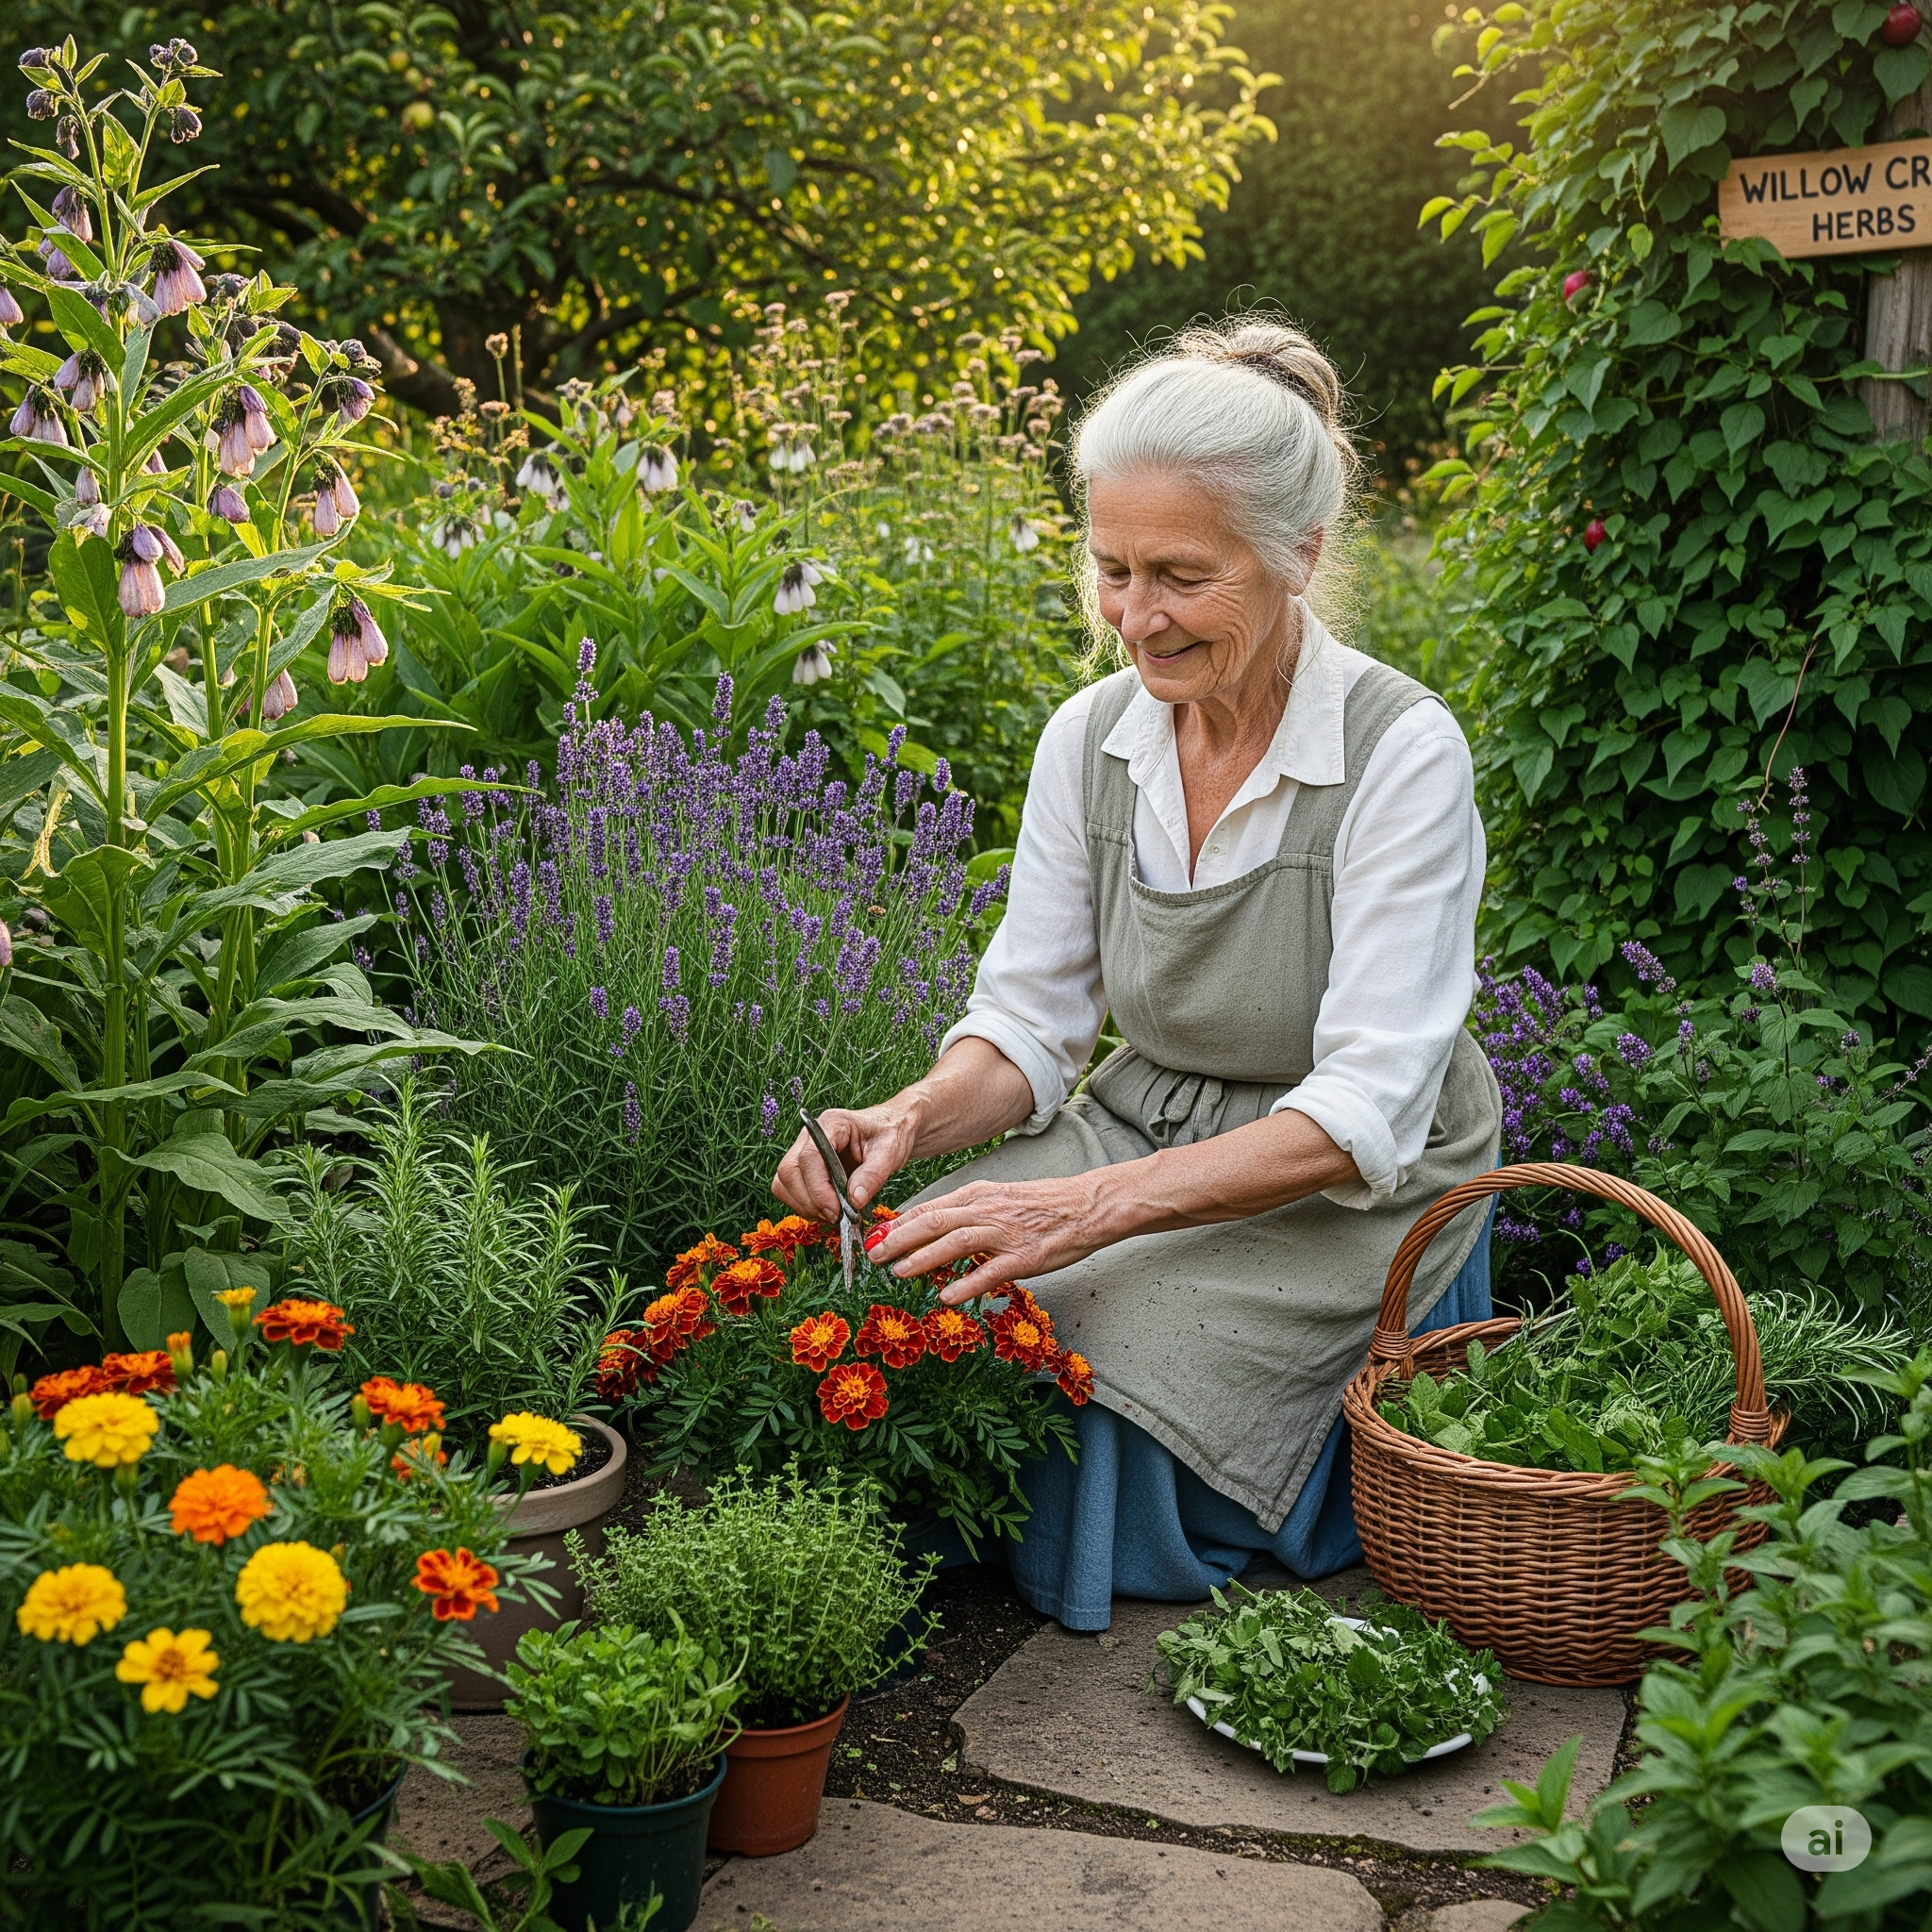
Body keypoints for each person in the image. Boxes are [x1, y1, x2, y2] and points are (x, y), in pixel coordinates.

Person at [772, 316, 1502, 1630]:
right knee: (900, 1279)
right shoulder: (1092, 736)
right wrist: (911, 1118)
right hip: (1148, 1116)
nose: (1137, 619)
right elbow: (1035, 1023)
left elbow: (1365, 1114)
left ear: (1301, 557)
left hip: (1339, 1183)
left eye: (1182, 574)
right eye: (1112, 568)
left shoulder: (1402, 753)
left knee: (1096, 1357)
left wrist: (1081, 1214)